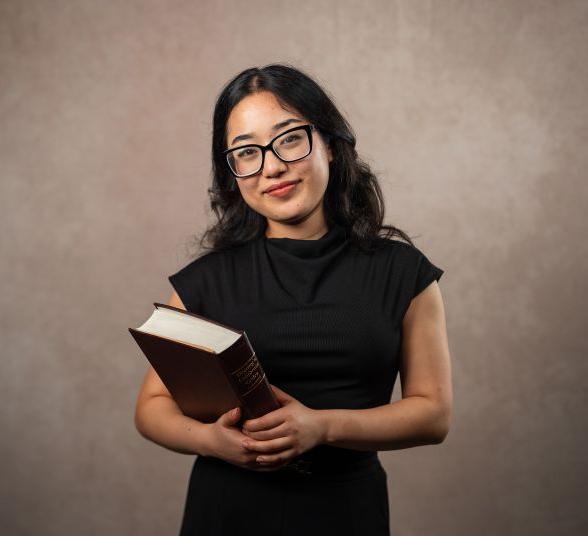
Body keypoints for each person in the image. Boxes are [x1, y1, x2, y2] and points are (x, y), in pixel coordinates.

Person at [134, 64, 453, 536]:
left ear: (329, 142)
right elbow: (151, 408)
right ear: (232, 172)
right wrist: (211, 441)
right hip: (227, 513)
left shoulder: (403, 273)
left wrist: (322, 427)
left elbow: (433, 414)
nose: (272, 167)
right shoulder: (205, 281)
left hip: (346, 513)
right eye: (247, 152)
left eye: (289, 139)